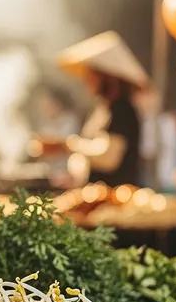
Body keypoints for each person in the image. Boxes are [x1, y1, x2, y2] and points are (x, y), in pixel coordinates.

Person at [55, 31, 147, 187]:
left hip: (116, 200)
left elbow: (109, 158)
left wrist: (68, 145)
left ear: (106, 77)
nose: (86, 81)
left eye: (91, 75)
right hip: (95, 195)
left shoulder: (122, 110)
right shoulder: (103, 110)